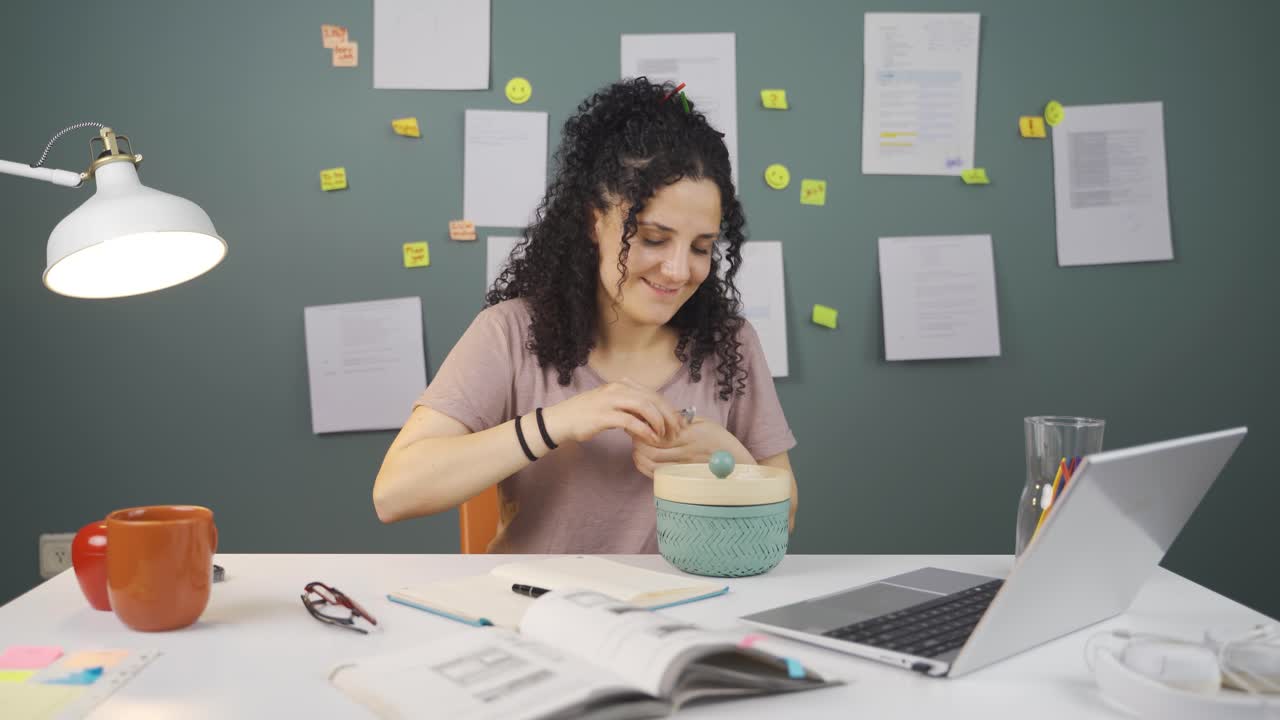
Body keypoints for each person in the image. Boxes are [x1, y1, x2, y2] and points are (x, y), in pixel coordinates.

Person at [372, 78, 798, 553]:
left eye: (701, 247)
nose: (678, 270)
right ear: (596, 221)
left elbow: (783, 523)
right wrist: (559, 422)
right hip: (537, 612)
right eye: (653, 238)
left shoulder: (729, 344)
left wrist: (733, 460)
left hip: (684, 616)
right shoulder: (509, 332)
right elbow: (394, 493)